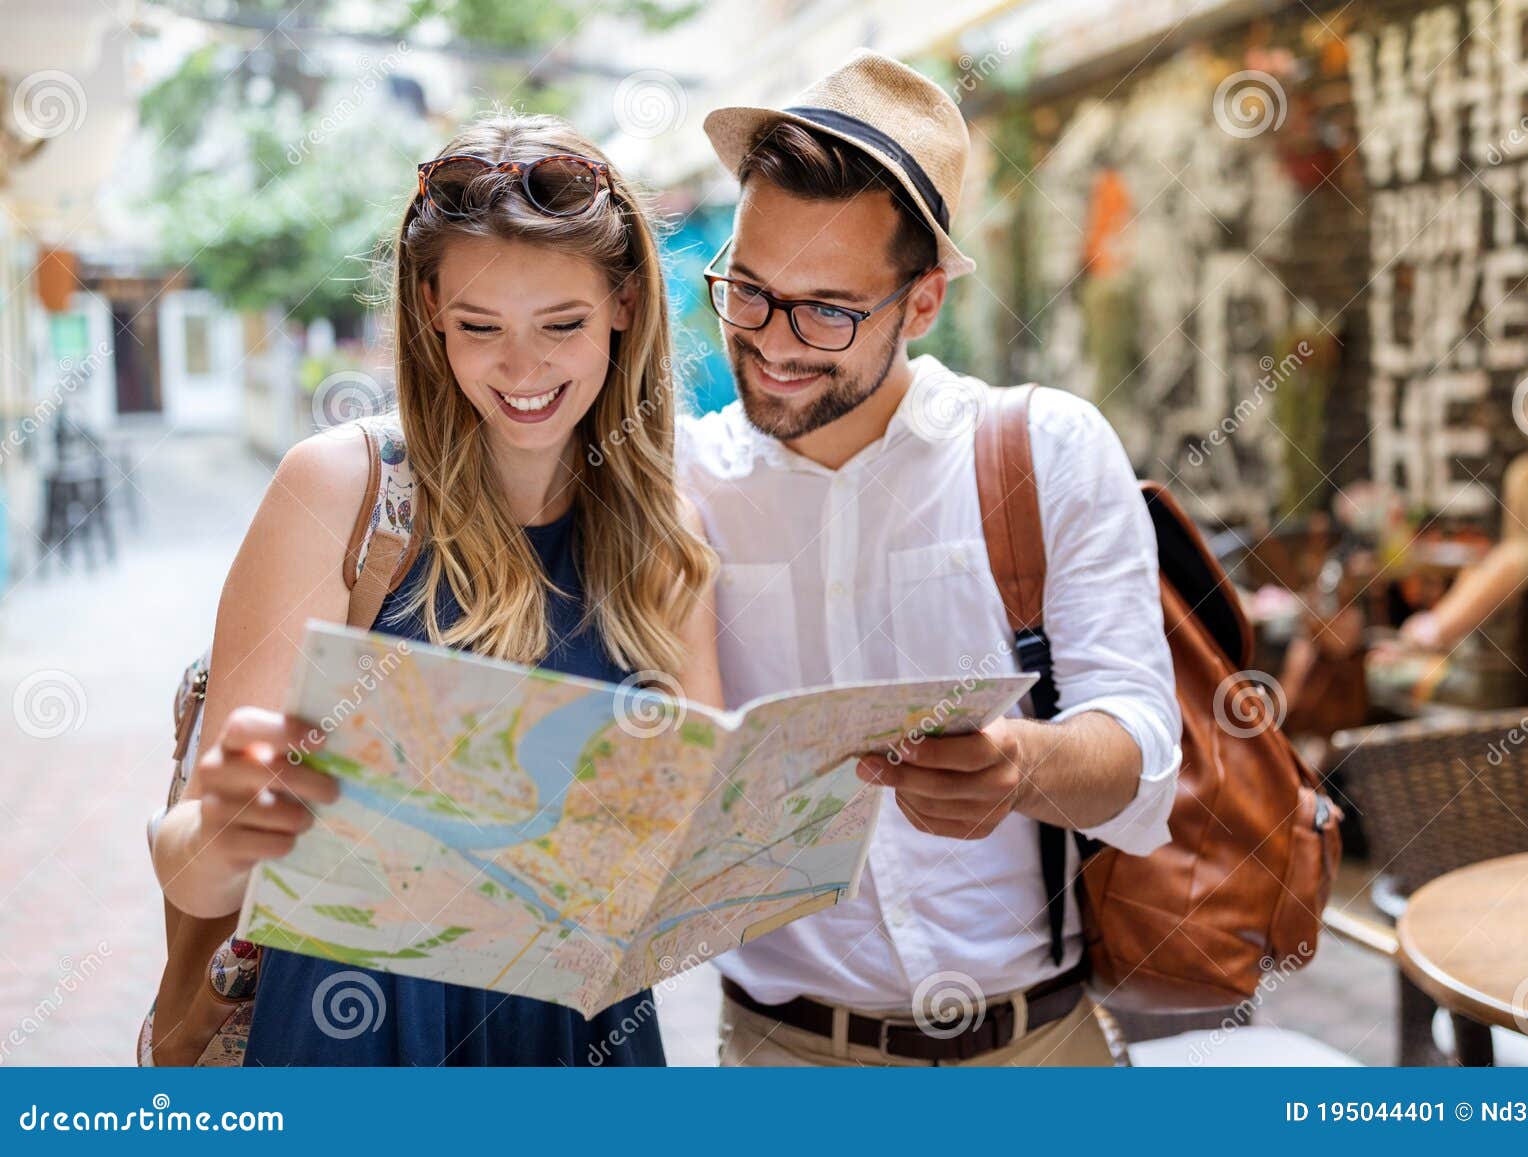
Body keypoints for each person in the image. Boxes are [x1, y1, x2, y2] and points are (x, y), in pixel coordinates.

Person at [149, 113, 722, 1065]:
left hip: (578, 1032)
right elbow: (192, 871)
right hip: (357, 1032)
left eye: (563, 325)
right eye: (480, 326)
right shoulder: (339, 491)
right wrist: (227, 821)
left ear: (625, 302)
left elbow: (691, 856)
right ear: (427, 311)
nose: (524, 368)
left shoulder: (665, 535)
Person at [677, 50, 1182, 1067]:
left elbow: (1141, 752)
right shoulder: (680, 482)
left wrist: (1021, 762)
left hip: (1036, 1050)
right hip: (776, 1055)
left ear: (921, 303)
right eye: (747, 289)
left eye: (828, 308)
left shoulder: (1040, 448)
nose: (772, 342)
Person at [1369, 443, 1528, 707]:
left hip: (1495, 698)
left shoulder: (1513, 562)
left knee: (1372, 673)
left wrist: (1402, 638)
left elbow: (1433, 633)